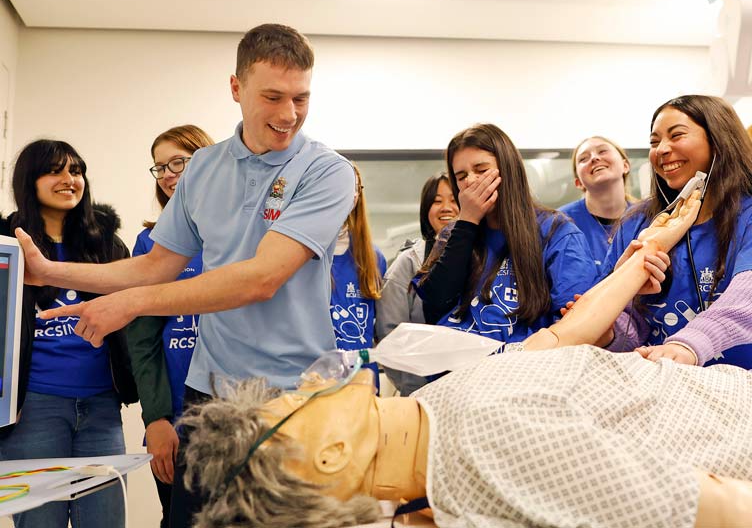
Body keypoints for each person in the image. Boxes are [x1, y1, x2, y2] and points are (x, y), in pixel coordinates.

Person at [180, 189, 752, 528]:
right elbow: (721, 508)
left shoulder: (430, 410)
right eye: (297, 402)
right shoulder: (491, 439)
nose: (308, 383)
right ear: (331, 456)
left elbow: (559, 339)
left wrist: (654, 241)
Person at [15, 23, 356, 528]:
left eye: (301, 98)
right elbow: (155, 265)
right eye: (273, 96)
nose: (289, 115)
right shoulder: (202, 168)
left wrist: (132, 304)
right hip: (209, 396)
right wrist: (47, 269)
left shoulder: (327, 172)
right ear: (236, 88)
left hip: (293, 396)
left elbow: (261, 278)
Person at [0, 140, 137, 528]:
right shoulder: (8, 246)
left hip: (101, 408)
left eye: (76, 171)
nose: (69, 179)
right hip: (33, 411)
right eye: (56, 171)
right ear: (31, 180)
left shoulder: (108, 245)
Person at [602, 95, 752, 369]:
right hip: (663, 381)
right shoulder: (638, 224)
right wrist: (607, 330)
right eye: (654, 141)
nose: (661, 149)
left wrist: (686, 346)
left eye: (677, 135)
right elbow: (631, 327)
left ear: (719, 140)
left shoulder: (747, 216)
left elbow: (747, 299)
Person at [416, 123, 598, 348]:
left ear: (507, 168)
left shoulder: (556, 231)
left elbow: (577, 323)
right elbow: (435, 302)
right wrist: (467, 221)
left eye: (481, 170)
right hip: (456, 372)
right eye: (461, 176)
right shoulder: (453, 234)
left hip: (524, 370)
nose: (471, 181)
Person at [126, 124, 214, 527]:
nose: (168, 174)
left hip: (235, 415)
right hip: (176, 419)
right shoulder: (150, 245)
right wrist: (156, 419)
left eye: (179, 161)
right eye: (160, 167)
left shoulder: (238, 235)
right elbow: (142, 342)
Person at [375, 172, 458, 395]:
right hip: (421, 393)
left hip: (473, 387)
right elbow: (389, 331)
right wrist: (411, 385)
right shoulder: (409, 262)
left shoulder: (486, 257)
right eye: (437, 201)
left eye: (454, 200)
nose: (446, 207)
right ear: (425, 210)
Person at [330, 163, 386, 385]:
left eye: (351, 187)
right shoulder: (303, 255)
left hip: (362, 380)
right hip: (318, 380)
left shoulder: (373, 258)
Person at [559, 135, 632, 268]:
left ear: (625, 165)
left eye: (603, 151)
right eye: (583, 159)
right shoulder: (560, 223)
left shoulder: (648, 218)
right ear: (578, 182)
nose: (594, 158)